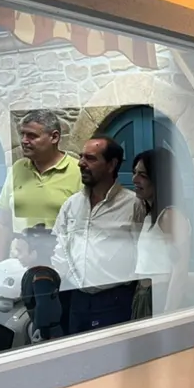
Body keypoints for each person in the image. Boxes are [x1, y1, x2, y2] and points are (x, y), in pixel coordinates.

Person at [51, 135, 145, 334]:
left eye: (90, 158)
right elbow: (58, 247)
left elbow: (144, 253)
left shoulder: (133, 205)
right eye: (81, 157)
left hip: (116, 301)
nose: (81, 163)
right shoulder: (71, 204)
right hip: (75, 299)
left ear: (111, 165)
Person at [0, 110, 81, 262]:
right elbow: (4, 224)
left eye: (32, 136)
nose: (24, 140)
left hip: (61, 266)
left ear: (54, 137)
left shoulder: (78, 171)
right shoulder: (17, 169)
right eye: (23, 134)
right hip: (19, 264)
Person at [130, 148, 191, 319]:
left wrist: (169, 313)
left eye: (142, 175)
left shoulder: (170, 215)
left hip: (158, 294)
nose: (135, 179)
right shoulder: (151, 214)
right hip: (144, 293)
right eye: (134, 173)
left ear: (159, 178)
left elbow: (180, 268)